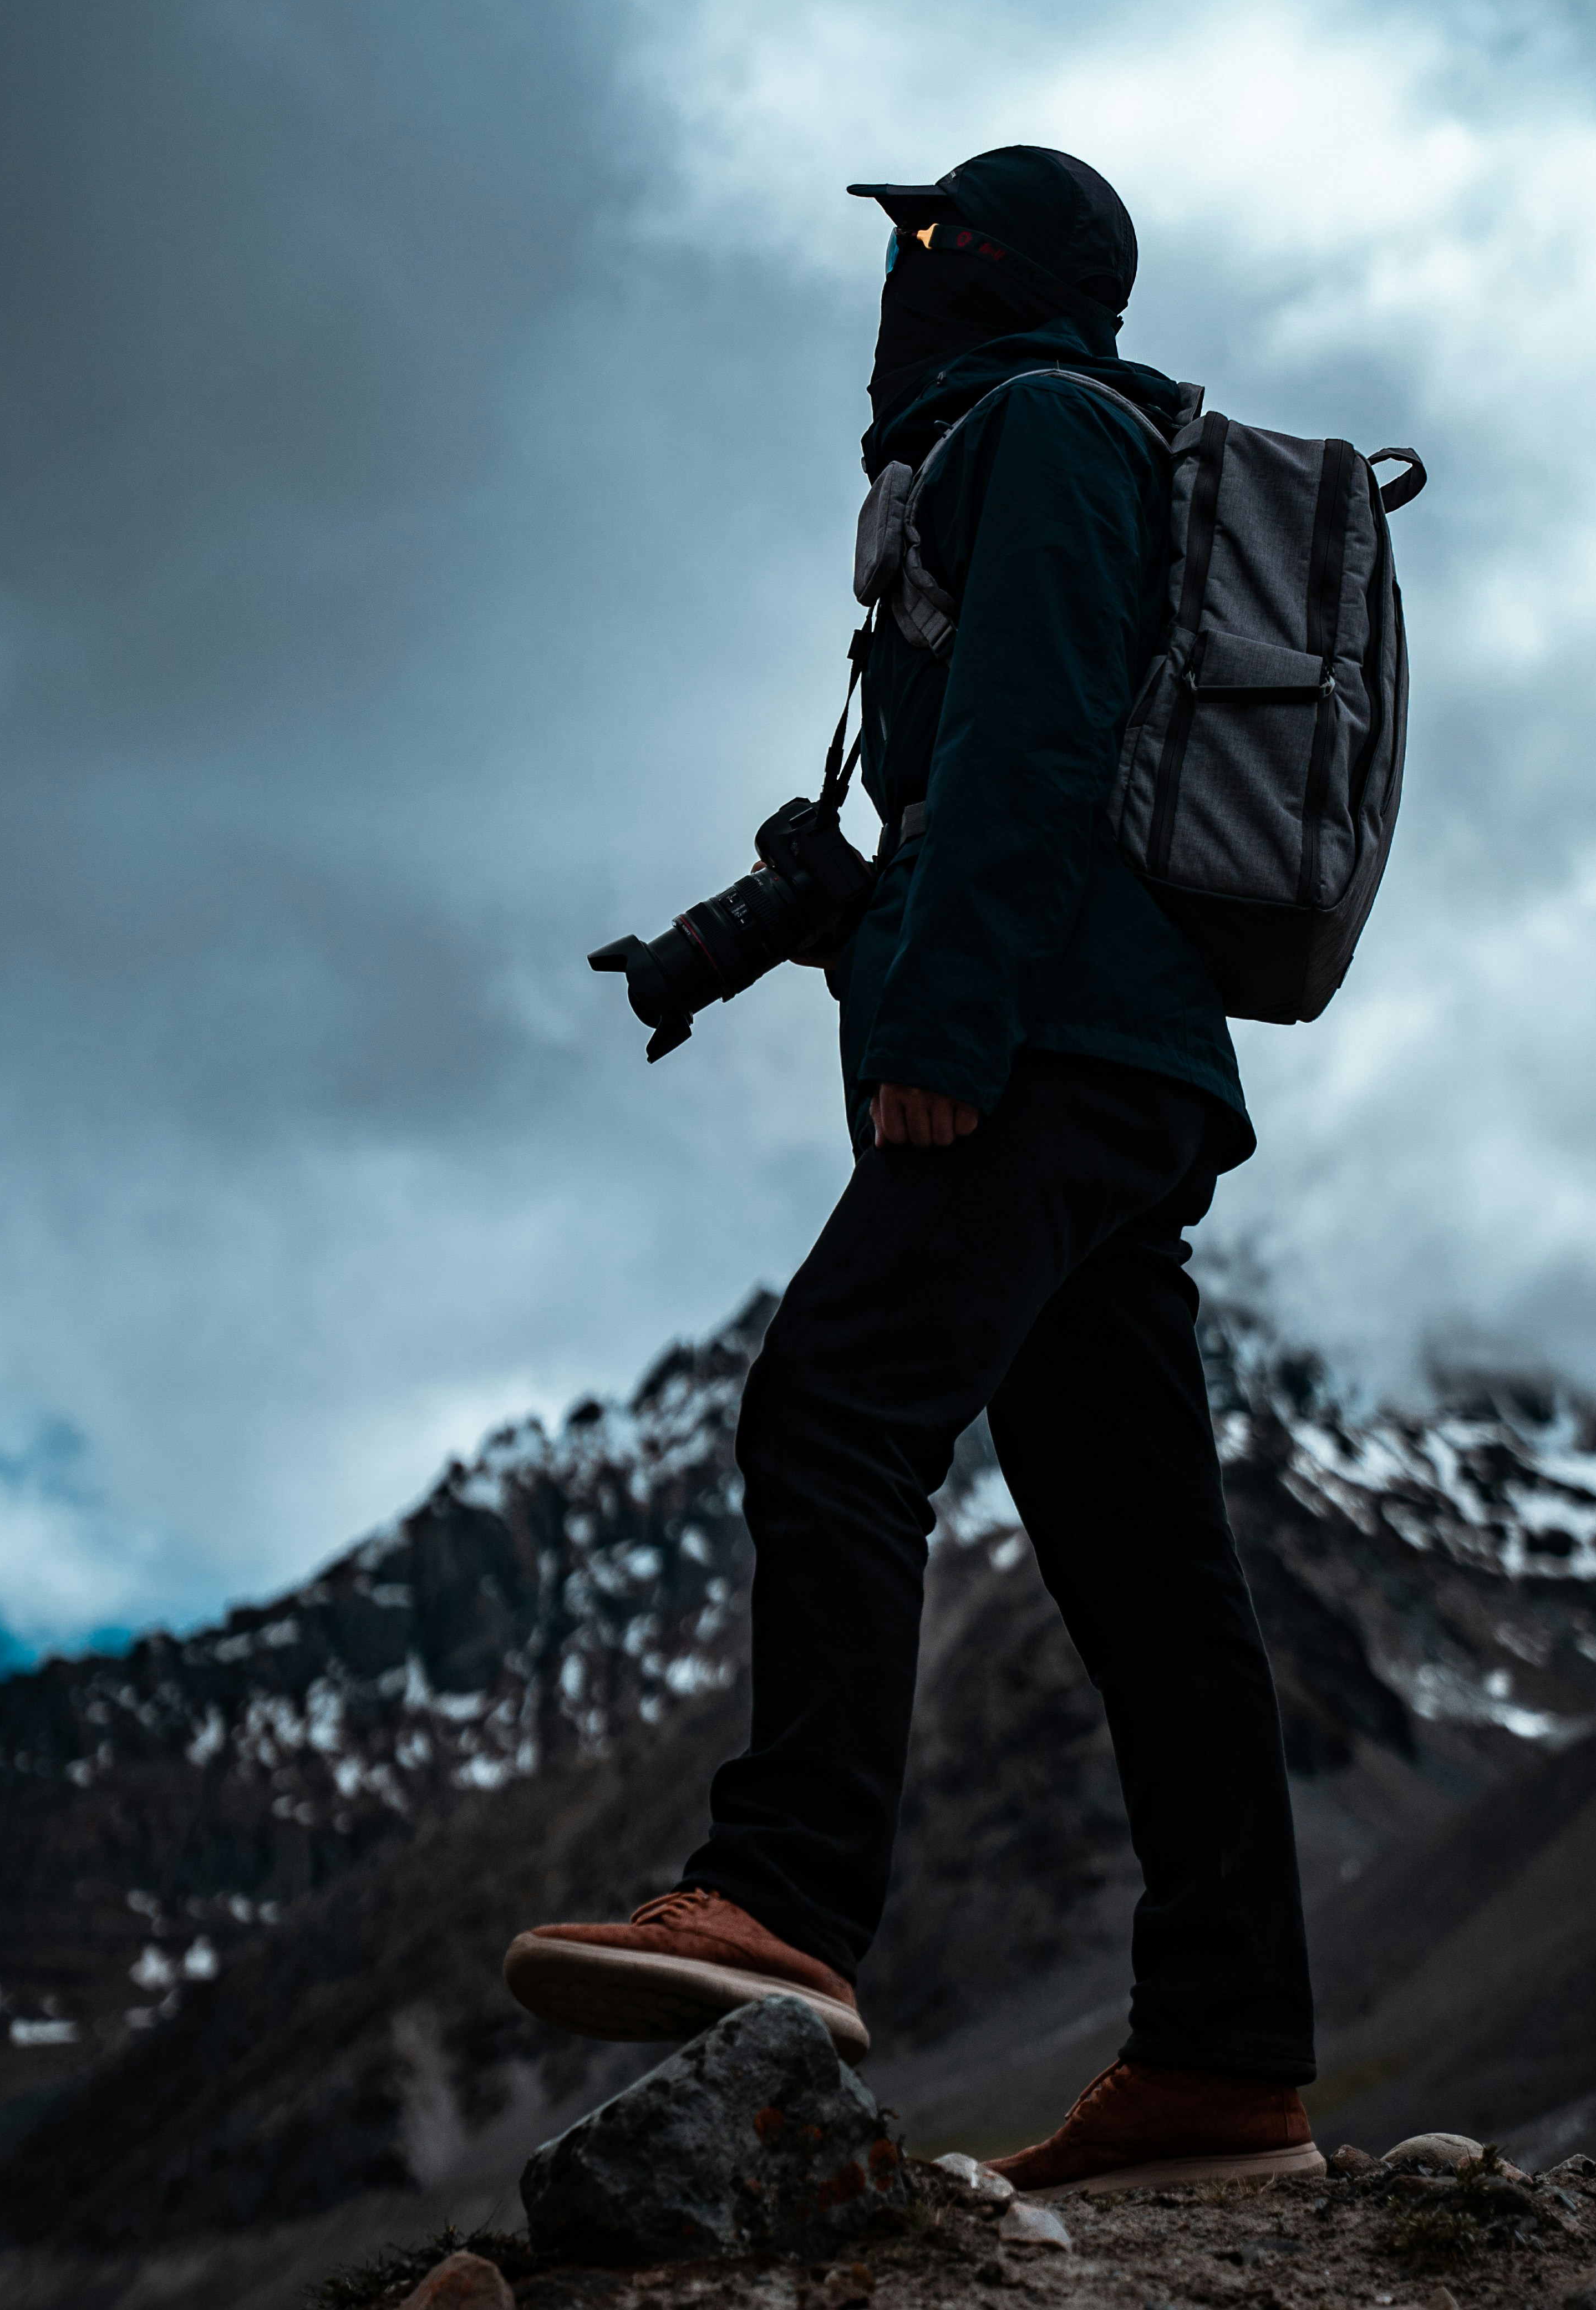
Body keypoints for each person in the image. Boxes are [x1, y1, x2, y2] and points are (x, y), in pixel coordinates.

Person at [505, 146, 1321, 2192]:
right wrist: (752, 937)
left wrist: (943, 1044)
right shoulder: (1004, 452)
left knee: (833, 1412)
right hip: (1118, 1062)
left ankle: (781, 1900)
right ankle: (1231, 2061)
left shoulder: (1039, 433)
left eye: (926, 243)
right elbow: (965, 795)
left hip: (1048, 1047)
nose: (897, 276)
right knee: (1149, 1575)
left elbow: (1039, 751)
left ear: (996, 275)